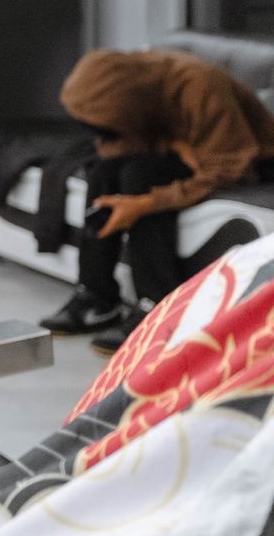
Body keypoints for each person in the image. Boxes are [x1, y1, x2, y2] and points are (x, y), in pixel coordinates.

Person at [40, 47, 274, 352]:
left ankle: (156, 305)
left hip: (245, 162)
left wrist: (143, 204)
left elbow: (229, 165)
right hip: (190, 152)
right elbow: (126, 144)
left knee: (140, 178)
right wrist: (174, 145)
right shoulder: (138, 89)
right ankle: (95, 294)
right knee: (103, 173)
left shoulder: (199, 85)